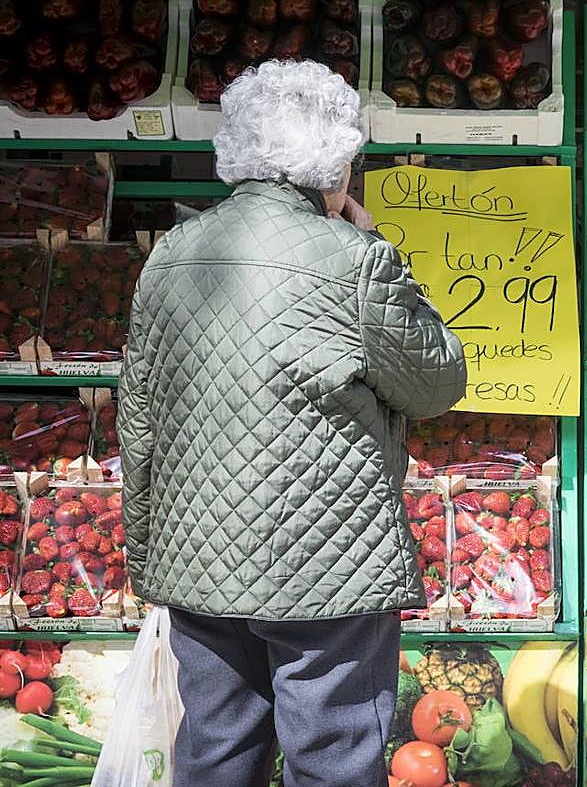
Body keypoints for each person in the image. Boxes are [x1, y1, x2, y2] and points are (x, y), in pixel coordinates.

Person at [116, 59, 467, 787]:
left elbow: (139, 417)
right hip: (329, 566)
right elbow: (436, 383)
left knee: (214, 754)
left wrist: (149, 552)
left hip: (199, 554)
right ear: (337, 163)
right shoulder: (357, 259)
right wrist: (379, 250)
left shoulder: (171, 254)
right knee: (332, 759)